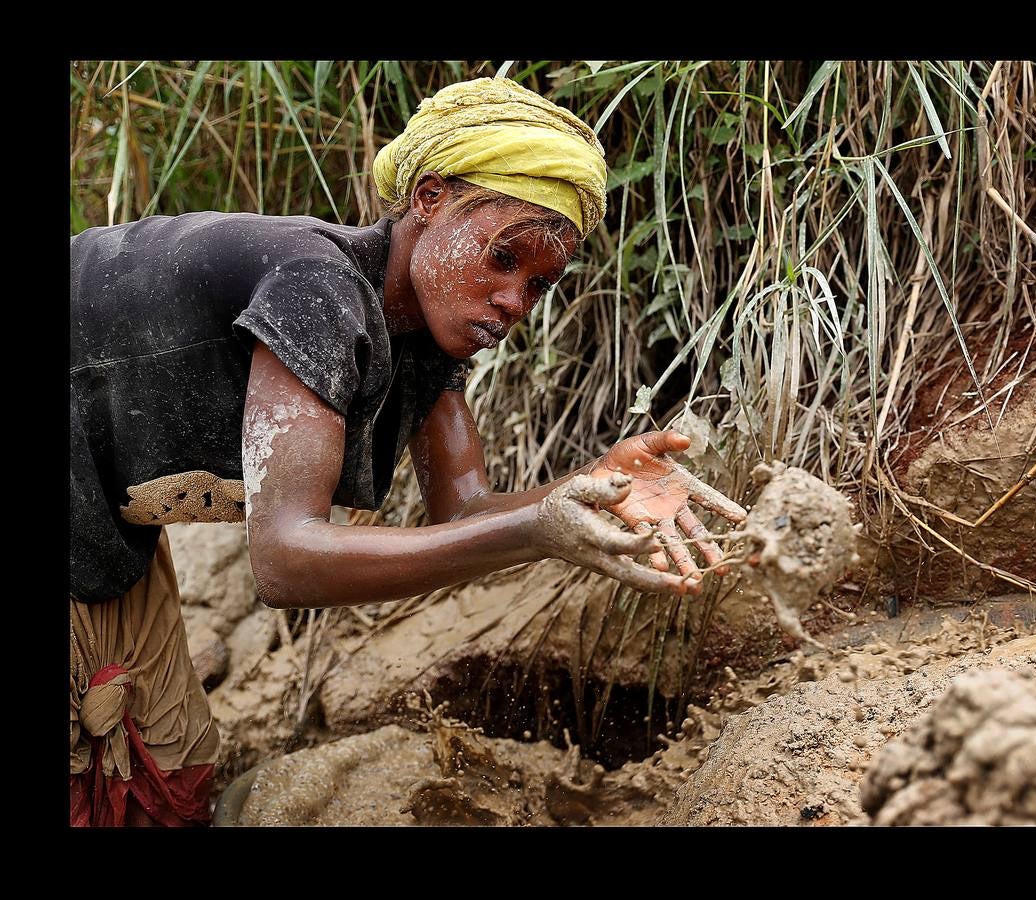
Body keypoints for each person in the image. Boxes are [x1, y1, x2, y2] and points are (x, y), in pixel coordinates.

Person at [69, 76, 747, 827]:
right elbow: (285, 559)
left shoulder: (420, 336)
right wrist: (536, 531)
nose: (514, 301)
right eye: (503, 256)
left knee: (169, 775)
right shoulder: (318, 286)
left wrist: (592, 488)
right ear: (429, 200)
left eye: (539, 285)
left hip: (98, 520)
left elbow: (465, 509)